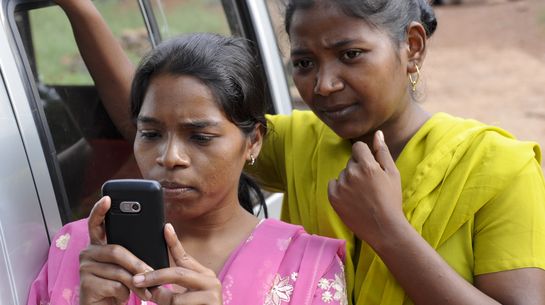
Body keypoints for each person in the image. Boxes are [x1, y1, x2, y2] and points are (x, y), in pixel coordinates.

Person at [51, 0, 545, 304]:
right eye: (304, 62)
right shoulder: (306, 141)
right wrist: (81, 9)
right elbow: (166, 123)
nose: (324, 85)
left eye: (350, 55)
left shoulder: (500, 167)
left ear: (412, 47)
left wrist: (388, 232)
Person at [26, 33, 348, 305]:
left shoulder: (307, 267)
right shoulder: (79, 251)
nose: (169, 157)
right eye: (150, 134)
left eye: (200, 137)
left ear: (253, 142)